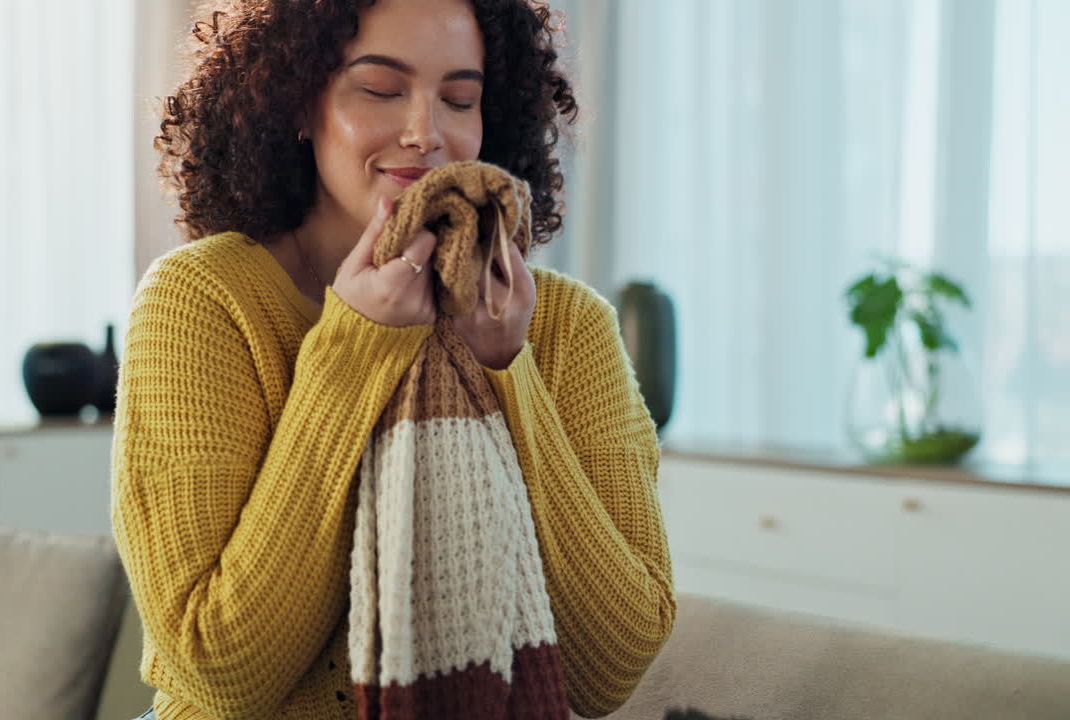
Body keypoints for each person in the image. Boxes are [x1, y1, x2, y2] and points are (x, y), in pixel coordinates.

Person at [110, 1, 675, 718]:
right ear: (296, 104)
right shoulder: (202, 301)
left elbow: (611, 671)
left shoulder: (569, 326)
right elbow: (220, 670)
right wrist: (356, 349)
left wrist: (506, 372)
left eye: (460, 99)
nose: (425, 133)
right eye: (379, 89)